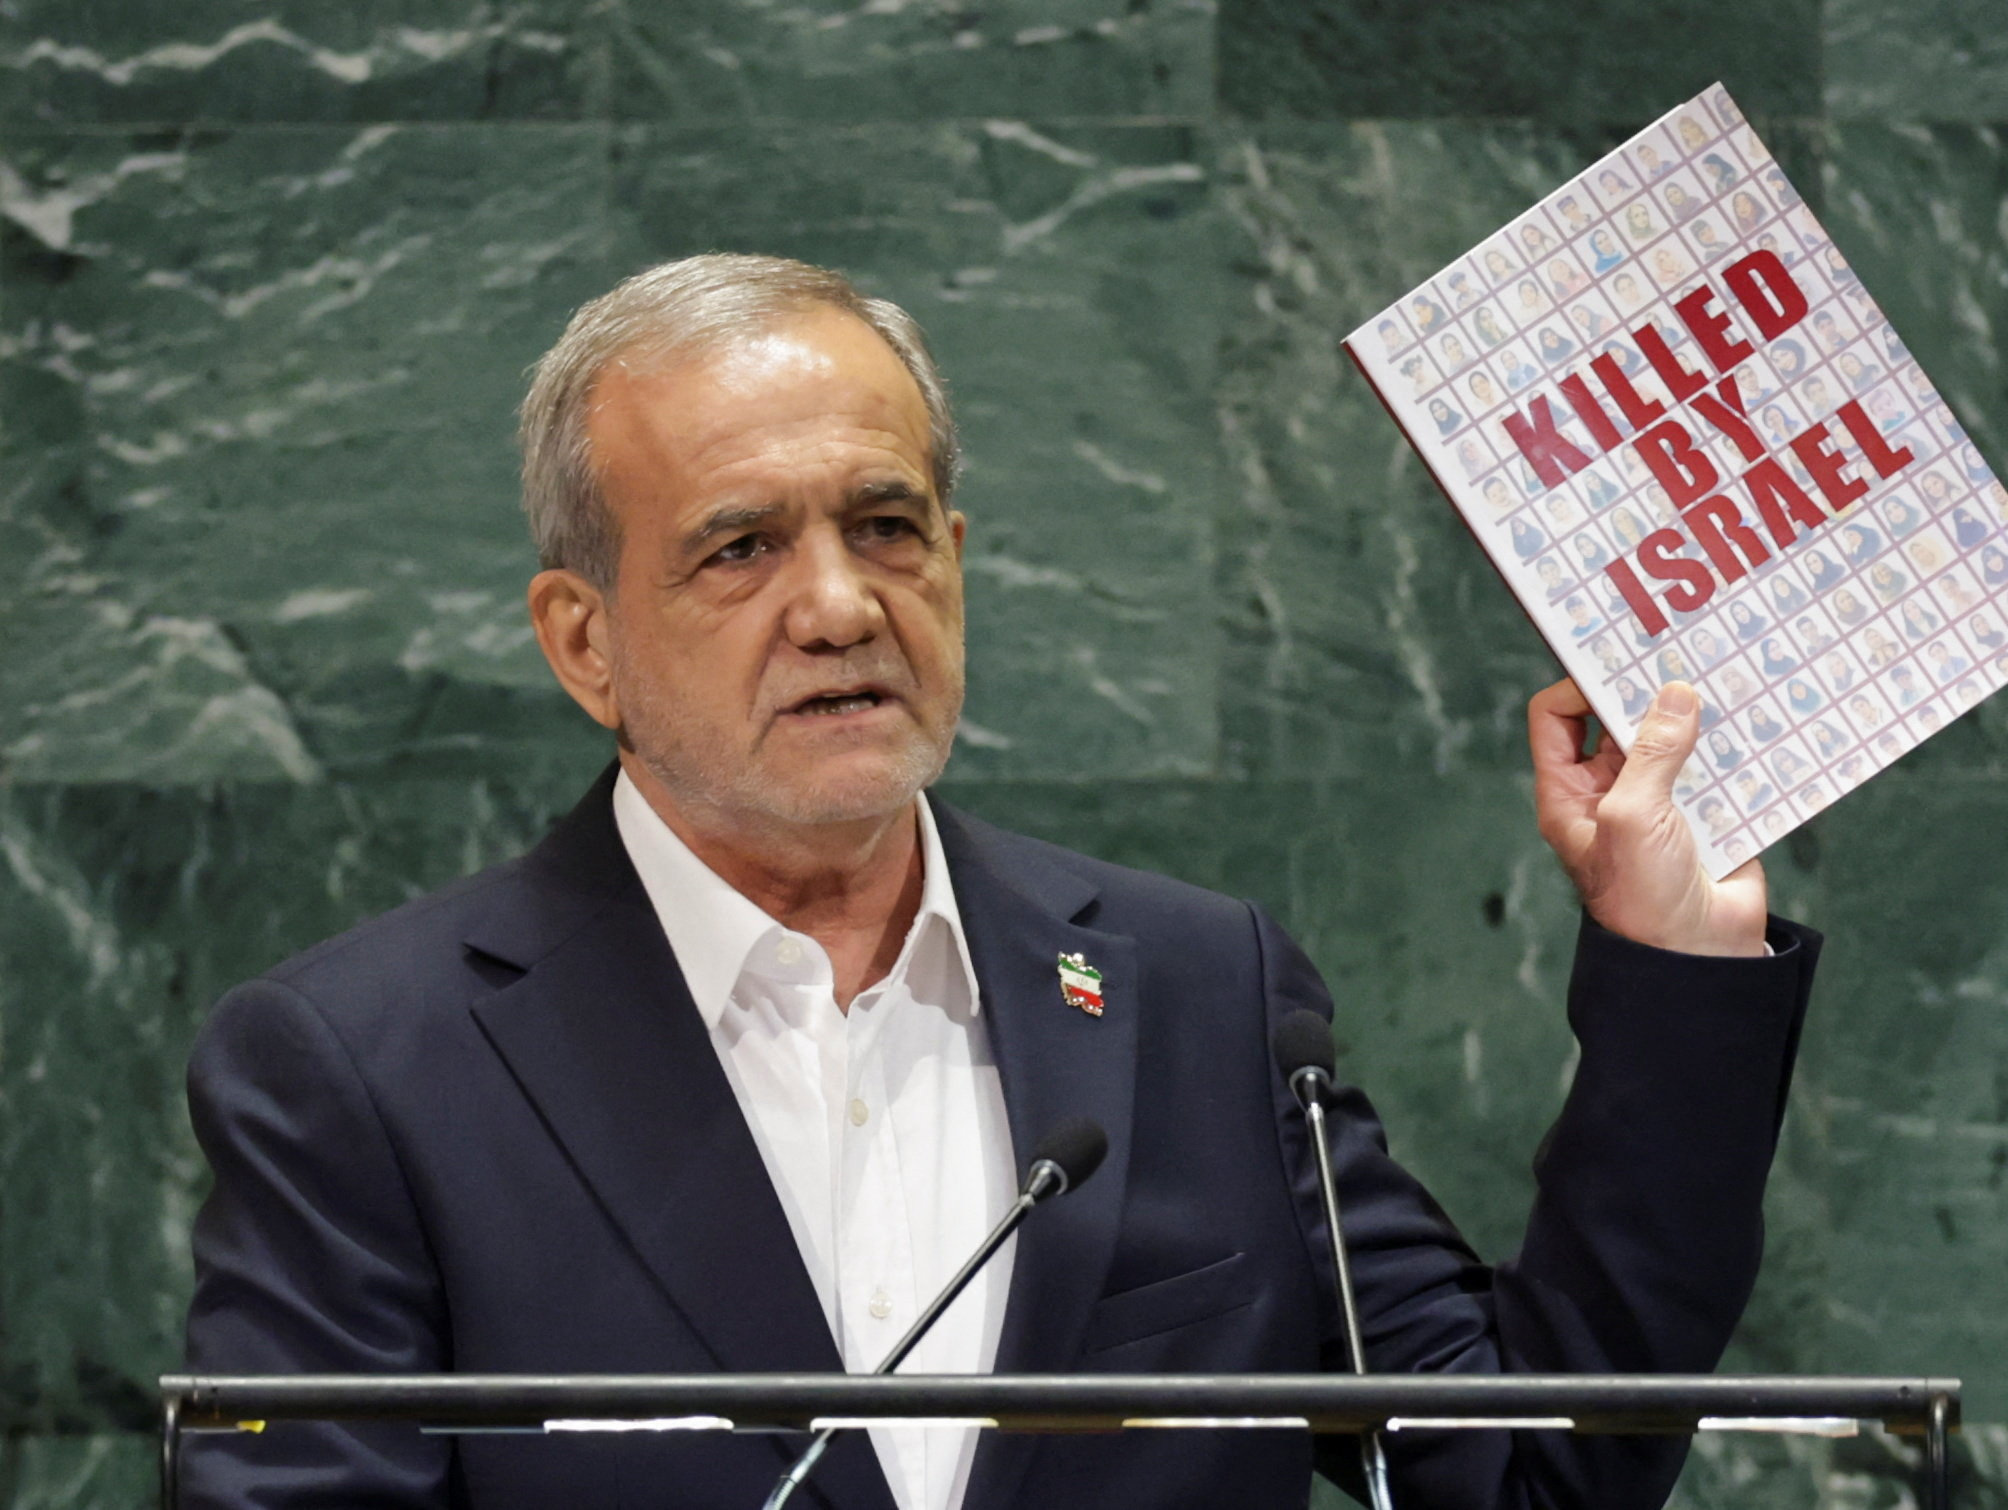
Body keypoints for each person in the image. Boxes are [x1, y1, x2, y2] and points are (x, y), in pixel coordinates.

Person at [182, 254, 1817, 1510]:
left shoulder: (1194, 991)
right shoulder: (367, 1069)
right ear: (585, 638)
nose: (840, 604)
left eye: (887, 525)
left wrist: (1676, 960)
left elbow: (1530, 1469)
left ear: (956, 558)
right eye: (741, 547)